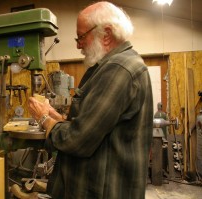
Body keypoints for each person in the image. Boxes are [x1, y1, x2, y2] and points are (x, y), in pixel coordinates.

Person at [28, 1, 153, 198]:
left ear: (106, 34)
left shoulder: (118, 69)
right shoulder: (107, 67)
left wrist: (44, 119)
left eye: (81, 37)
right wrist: (57, 117)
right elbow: (94, 127)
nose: (78, 45)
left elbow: (79, 140)